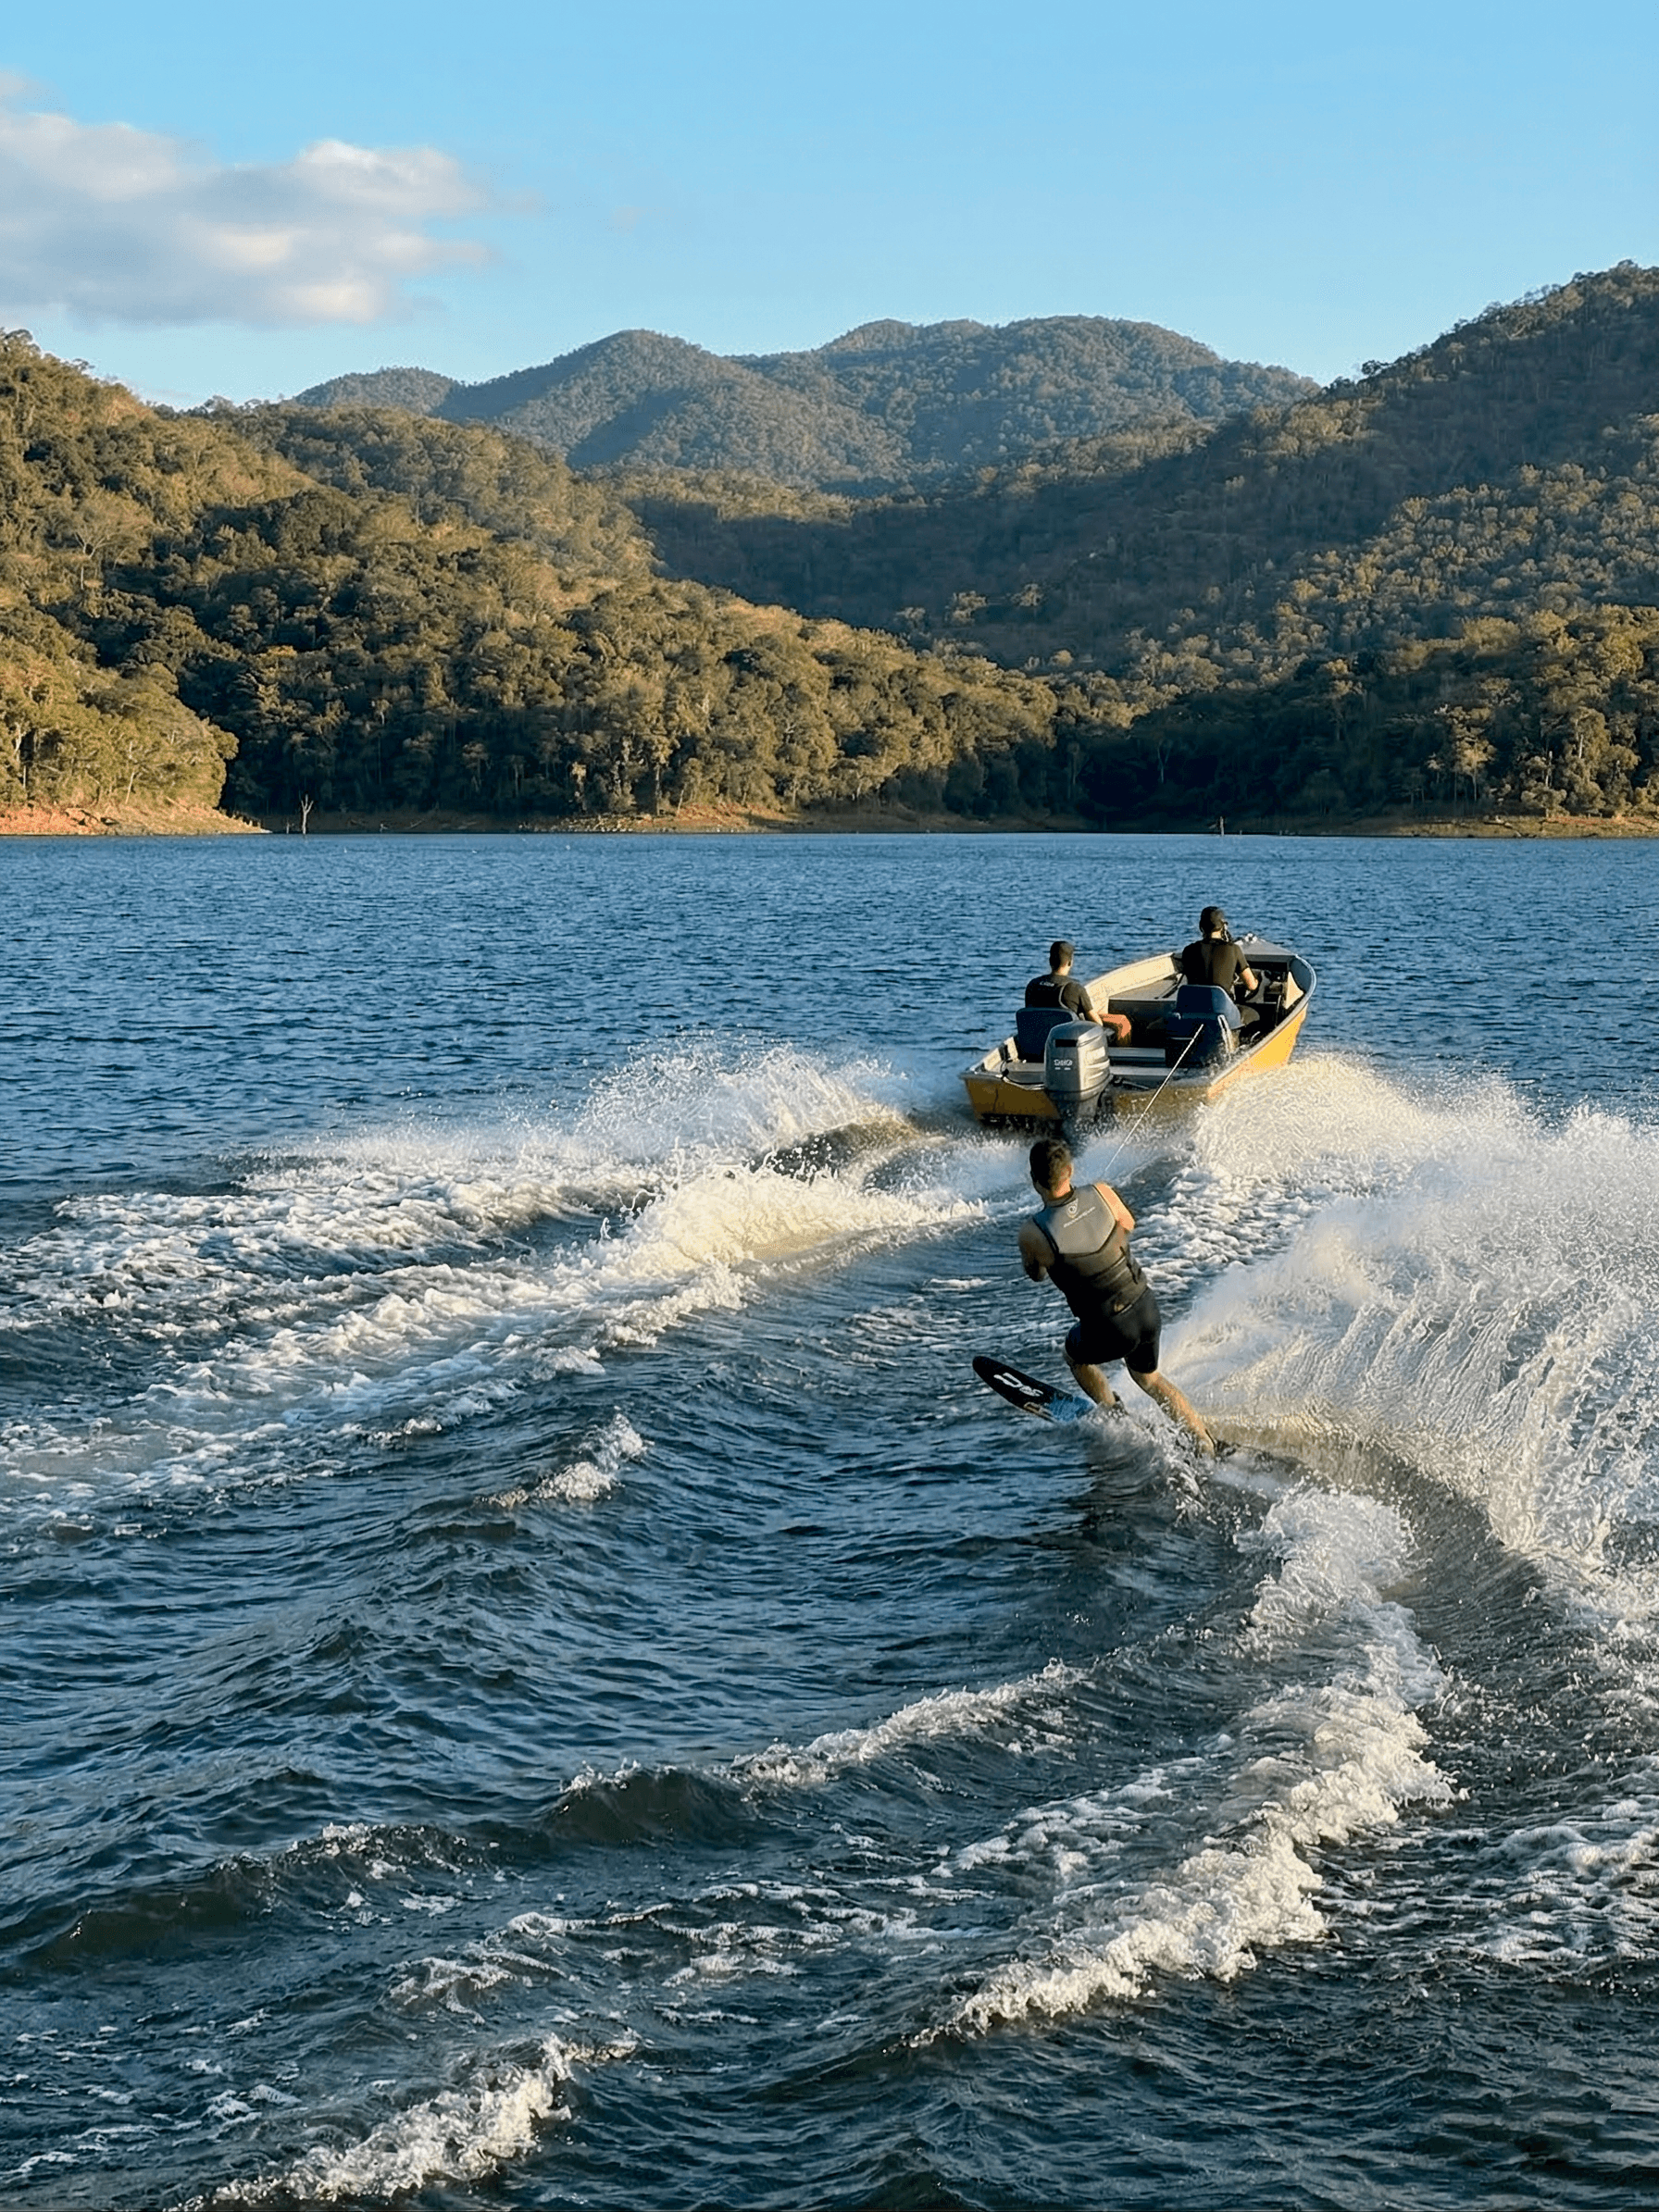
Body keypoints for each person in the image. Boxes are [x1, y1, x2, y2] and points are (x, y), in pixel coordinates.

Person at [1017, 1136, 1216, 1455]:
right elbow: (1129, 1224)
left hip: (1109, 1326)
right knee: (1149, 1379)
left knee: (1074, 1356)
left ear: (1033, 1180)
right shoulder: (1102, 1192)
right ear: (1070, 1170)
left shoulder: (1032, 1233)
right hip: (1146, 1306)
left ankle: (1112, 1411)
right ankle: (1203, 1442)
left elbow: (1036, 1274)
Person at [1025, 940, 1131, 1045]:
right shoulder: (1075, 988)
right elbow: (1097, 1024)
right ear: (1070, 962)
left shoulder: (1032, 985)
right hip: (1069, 1045)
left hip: (1037, 1044)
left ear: (1050, 961)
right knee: (1121, 1024)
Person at [1179, 907, 1258, 1001]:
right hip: (1221, 1011)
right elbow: (1251, 985)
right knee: (1253, 1014)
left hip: (1193, 1009)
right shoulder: (1233, 949)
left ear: (1201, 926)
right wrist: (1261, 980)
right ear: (1223, 926)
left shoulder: (1189, 950)